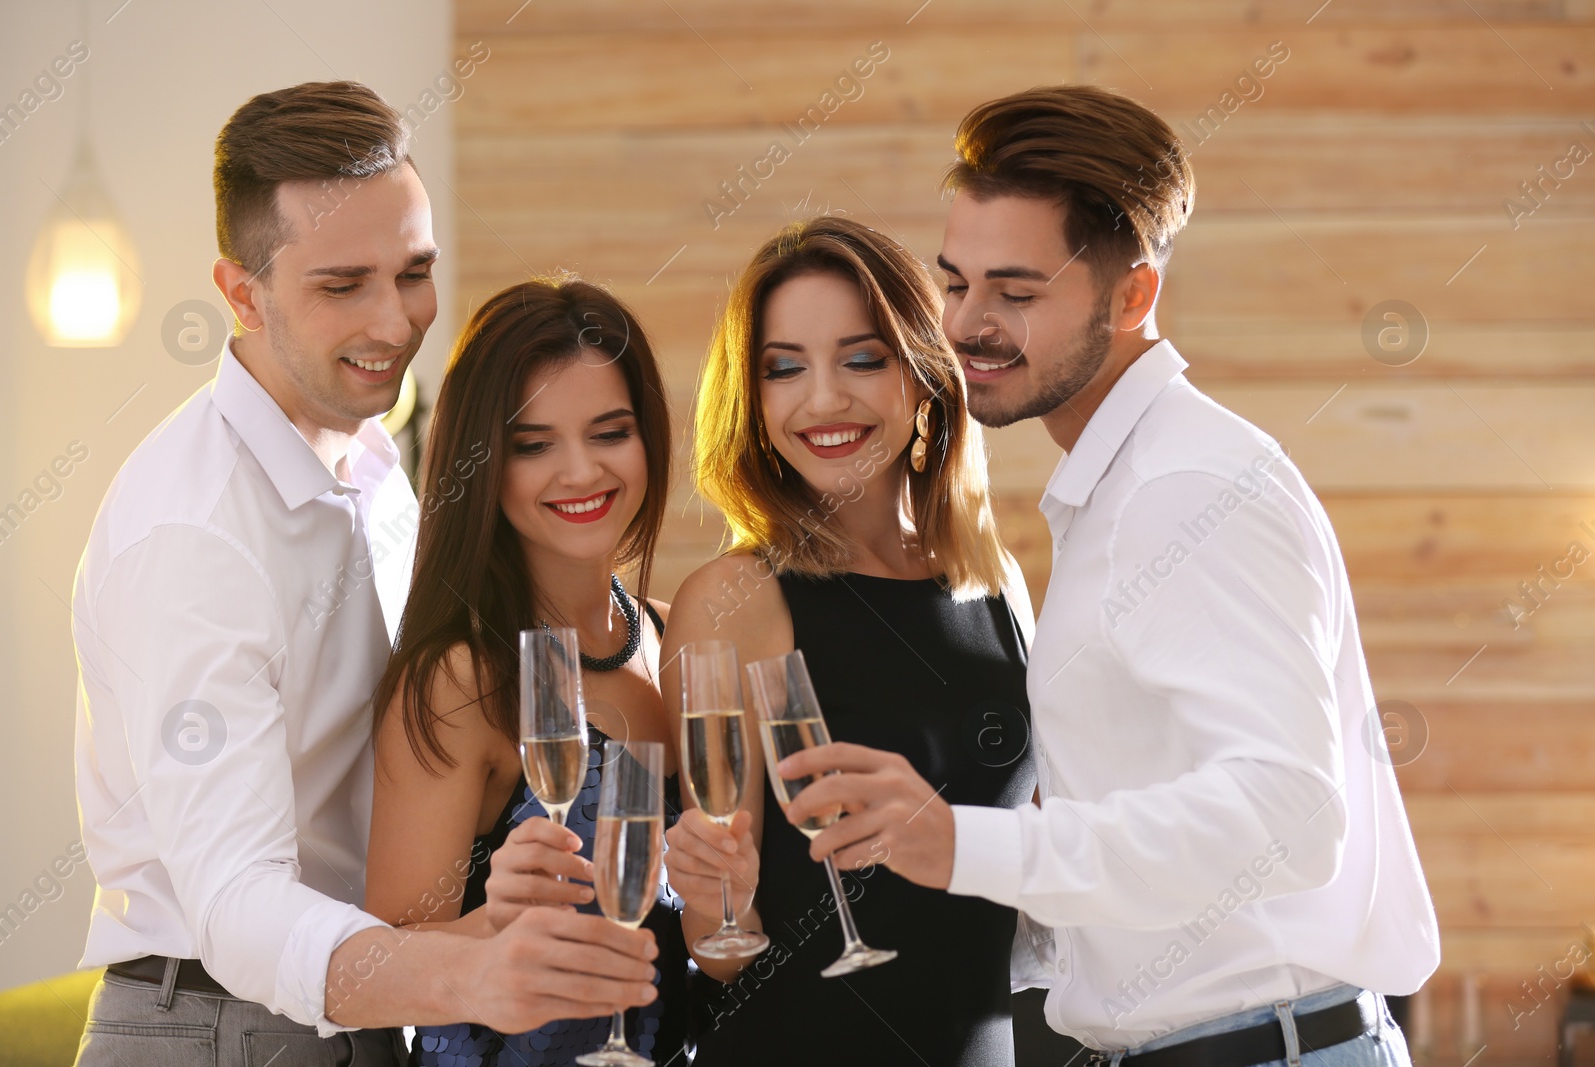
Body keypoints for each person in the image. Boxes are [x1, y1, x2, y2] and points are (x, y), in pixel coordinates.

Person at [777, 85, 1441, 1066]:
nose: (966, 324)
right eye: (955, 282)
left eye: (1016, 291)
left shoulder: (1182, 486)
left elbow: (1287, 815)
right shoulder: (1119, 485)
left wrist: (961, 841)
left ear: (1132, 297)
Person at [68, 82, 658, 1065]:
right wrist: (467, 972)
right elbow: (236, 907)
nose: (396, 320)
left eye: (415, 271)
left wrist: (481, 926)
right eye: (343, 284)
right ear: (241, 292)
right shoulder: (193, 533)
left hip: (361, 1016)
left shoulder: (379, 467)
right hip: (219, 1029)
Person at [660, 215, 1036, 1066]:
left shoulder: (995, 582)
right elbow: (721, 952)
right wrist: (721, 904)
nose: (822, 399)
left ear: (923, 374)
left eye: (861, 358)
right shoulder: (734, 601)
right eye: (783, 368)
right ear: (753, 402)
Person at [364, 278, 688, 1066]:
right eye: (533, 444)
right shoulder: (462, 678)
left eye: (609, 432)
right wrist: (486, 925)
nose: (578, 472)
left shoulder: (671, 638)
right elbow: (377, 968)